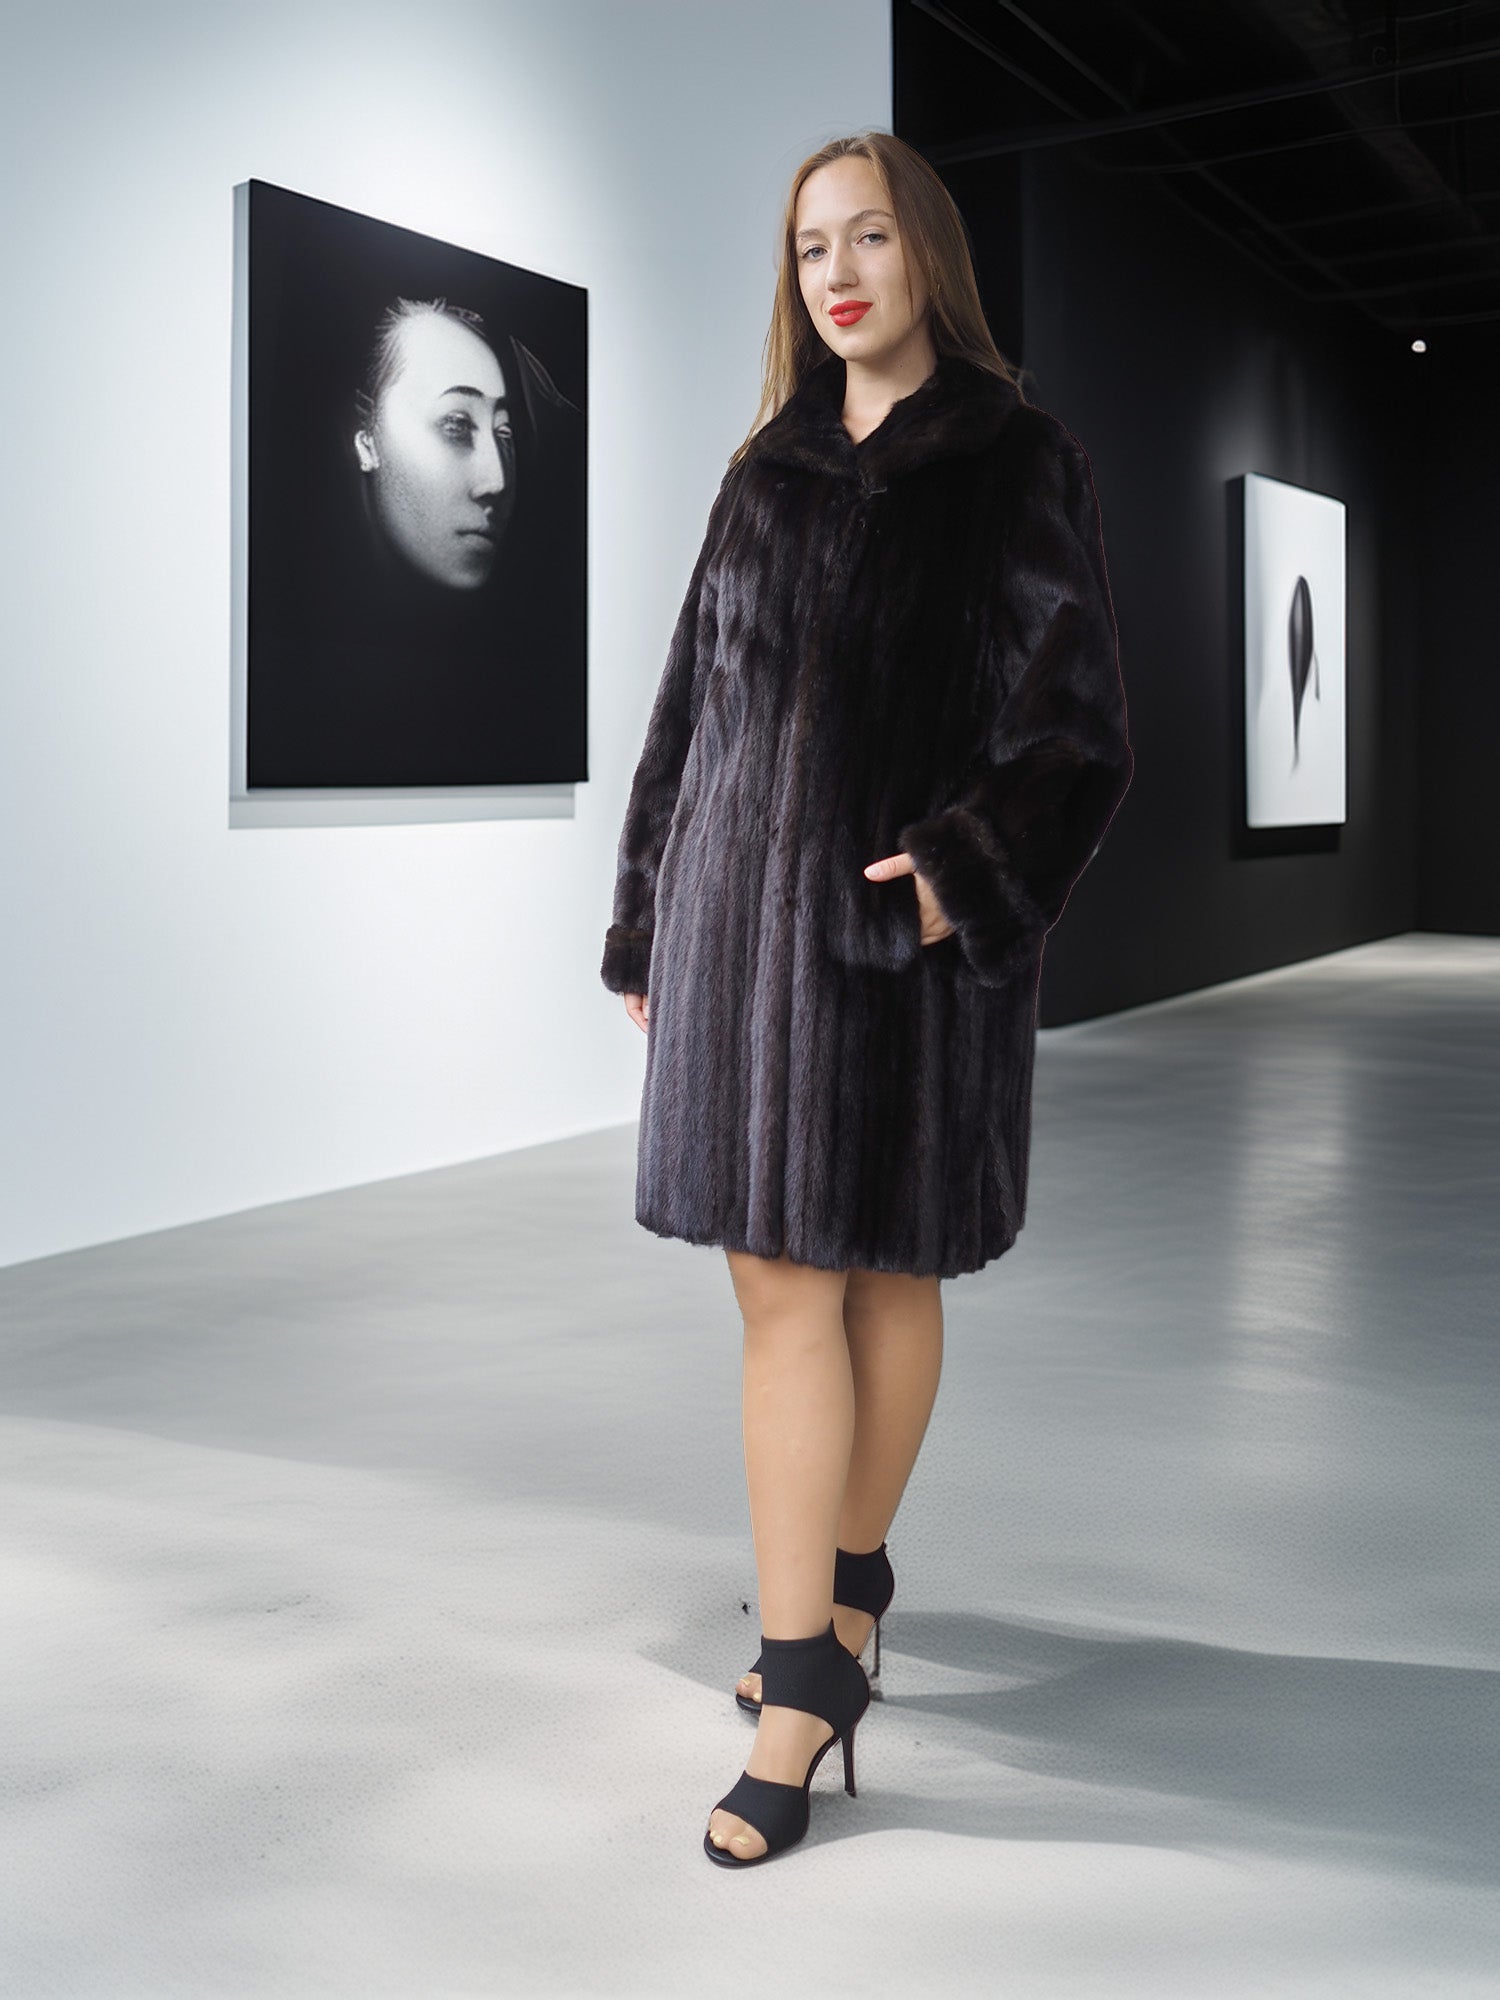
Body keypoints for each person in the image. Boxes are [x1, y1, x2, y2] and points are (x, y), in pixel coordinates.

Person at [599, 130, 1134, 1867]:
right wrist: (644, 924)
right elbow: (690, 708)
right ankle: (807, 1658)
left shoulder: (1016, 459)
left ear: (929, 257)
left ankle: (838, 1605)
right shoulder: (765, 472)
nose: (839, 271)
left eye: (871, 236)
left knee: (884, 1270)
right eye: (813, 245)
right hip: (743, 946)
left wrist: (965, 872)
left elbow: (1076, 731)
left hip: (892, 946)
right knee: (778, 1290)